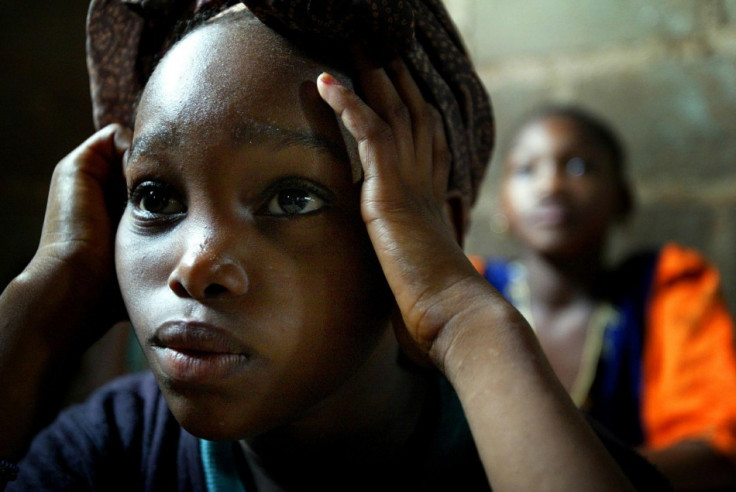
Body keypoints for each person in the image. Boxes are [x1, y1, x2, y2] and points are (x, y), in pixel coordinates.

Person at [0, 2, 668, 490]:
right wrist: (34, 315)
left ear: (431, 237)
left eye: (294, 197)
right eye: (154, 198)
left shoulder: (566, 463)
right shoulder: (111, 451)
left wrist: (464, 316)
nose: (195, 263)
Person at [471, 104, 736, 490]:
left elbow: (714, 451)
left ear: (623, 198)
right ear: (503, 205)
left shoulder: (667, 289)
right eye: (527, 170)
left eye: (579, 167)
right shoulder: (472, 292)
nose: (551, 187)